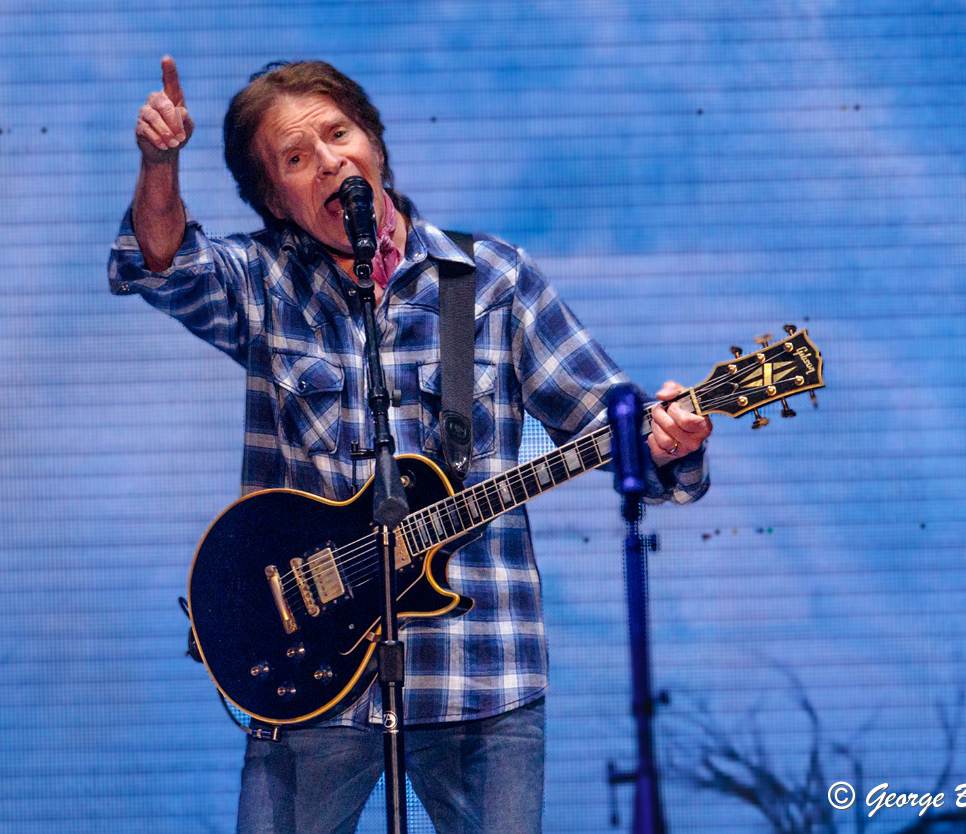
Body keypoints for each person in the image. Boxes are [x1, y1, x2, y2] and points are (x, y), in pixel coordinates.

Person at [109, 56, 713, 834]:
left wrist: (667, 440)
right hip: (307, 676)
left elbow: (608, 419)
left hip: (479, 674)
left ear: (375, 142)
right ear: (275, 200)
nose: (330, 161)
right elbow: (160, 263)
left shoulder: (490, 281)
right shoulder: (263, 284)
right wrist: (160, 164)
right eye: (296, 157)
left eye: (339, 134)